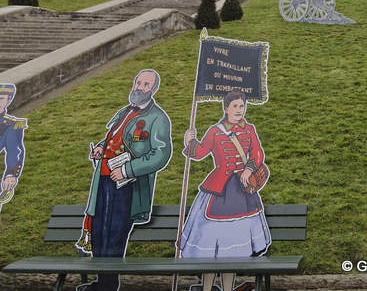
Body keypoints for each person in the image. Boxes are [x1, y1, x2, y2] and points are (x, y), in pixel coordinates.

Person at [77, 69, 172, 291]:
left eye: (146, 84)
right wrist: (101, 147)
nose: (139, 87)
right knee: (99, 230)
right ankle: (102, 282)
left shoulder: (158, 117)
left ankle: (108, 285)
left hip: (127, 186)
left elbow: (161, 154)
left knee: (114, 234)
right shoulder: (124, 111)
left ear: (153, 89)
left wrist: (128, 170)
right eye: (138, 82)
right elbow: (114, 138)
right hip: (104, 178)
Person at [179, 90, 271, 291]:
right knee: (211, 250)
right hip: (218, 191)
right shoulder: (215, 131)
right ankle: (207, 288)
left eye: (242, 106)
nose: (239, 110)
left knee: (234, 250)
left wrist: (248, 169)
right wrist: (189, 143)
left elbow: (257, 153)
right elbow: (201, 152)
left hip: (242, 193)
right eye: (235, 106)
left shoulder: (250, 129)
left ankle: (228, 289)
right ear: (226, 108)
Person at [0, 84, 26, 228]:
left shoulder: (10, 124)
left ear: (8, 101)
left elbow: (14, 151)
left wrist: (11, 174)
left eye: (1, 99)